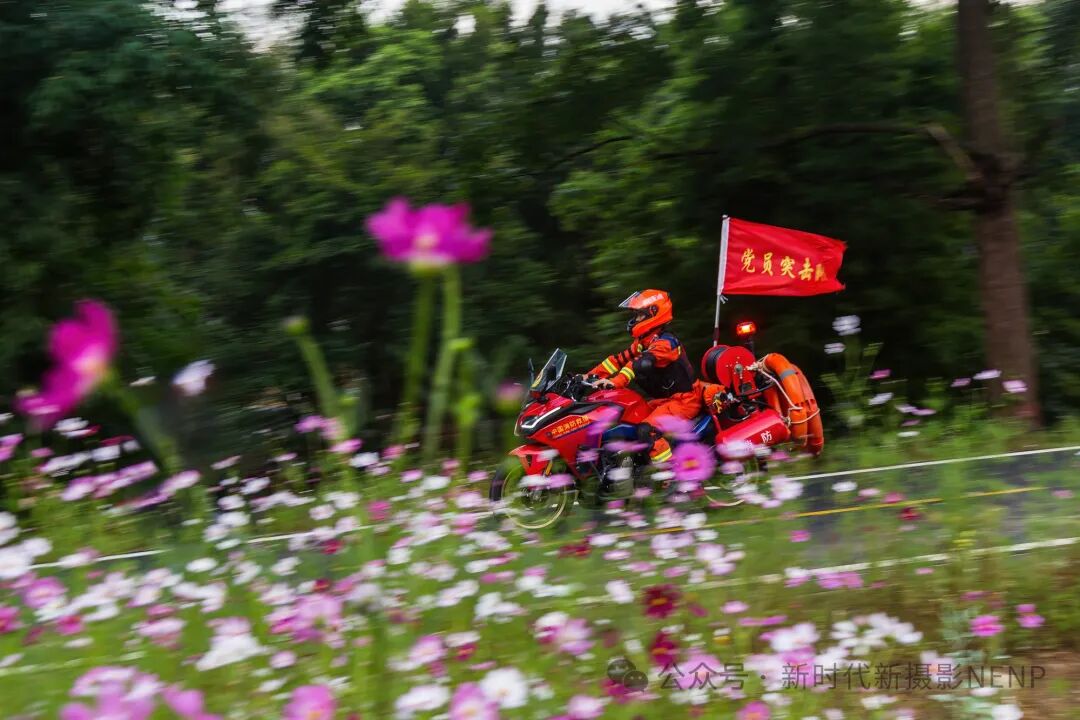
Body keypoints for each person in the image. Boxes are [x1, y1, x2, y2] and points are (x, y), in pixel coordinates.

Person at [586, 289, 703, 464]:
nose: (635, 320)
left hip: (684, 401)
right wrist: (587, 377)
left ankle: (668, 473)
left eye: (639, 315)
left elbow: (638, 363)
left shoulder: (666, 343)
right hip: (665, 401)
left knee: (647, 430)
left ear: (654, 313)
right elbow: (617, 360)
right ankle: (637, 468)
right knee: (630, 419)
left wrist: (615, 382)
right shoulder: (644, 341)